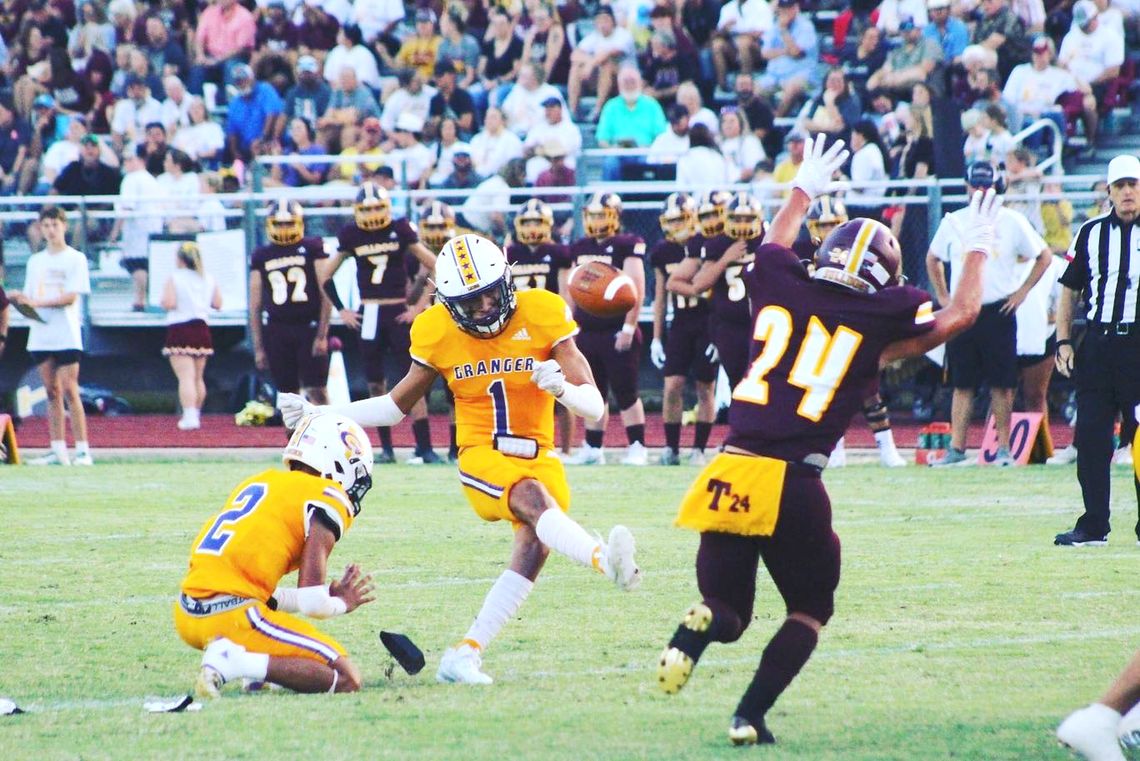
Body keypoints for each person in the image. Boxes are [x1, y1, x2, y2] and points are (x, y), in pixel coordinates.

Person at [655, 135, 1000, 745]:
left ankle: (704, 623)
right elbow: (960, 316)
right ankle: (747, 716)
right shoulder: (875, 320)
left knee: (729, 611)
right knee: (810, 608)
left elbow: (775, 243)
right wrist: (977, 248)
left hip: (731, 468)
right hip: (794, 480)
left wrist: (803, 188)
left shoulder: (781, 281)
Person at [278, 234, 641, 684]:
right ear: (448, 302)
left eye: (490, 294)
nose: (484, 308)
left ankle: (464, 655)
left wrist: (561, 389)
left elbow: (595, 407)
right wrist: (322, 411)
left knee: (533, 549)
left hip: (540, 454)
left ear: (507, 281)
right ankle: (606, 560)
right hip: (481, 454)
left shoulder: (543, 311)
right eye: (469, 302)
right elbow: (395, 406)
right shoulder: (436, 329)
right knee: (533, 500)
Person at [175, 412, 376, 698]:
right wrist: (342, 602)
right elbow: (312, 603)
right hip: (233, 617)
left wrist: (323, 594)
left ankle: (253, 670)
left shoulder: (260, 482)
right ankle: (234, 661)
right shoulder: (327, 495)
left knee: (278, 633)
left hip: (187, 615)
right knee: (347, 678)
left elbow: (262, 592)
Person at [926, 161, 1051, 467]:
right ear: (967, 187)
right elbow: (933, 258)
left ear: (997, 188)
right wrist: (944, 297)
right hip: (964, 309)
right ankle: (957, 448)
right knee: (962, 382)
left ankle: (1004, 449)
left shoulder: (1011, 221)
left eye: (986, 186)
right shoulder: (955, 221)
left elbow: (1044, 256)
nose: (980, 192)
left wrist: (1021, 293)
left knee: (1003, 382)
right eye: (976, 186)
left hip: (997, 308)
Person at [1052, 155, 1140, 547]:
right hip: (1100, 343)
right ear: (1108, 191)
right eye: (1120, 186)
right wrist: (1063, 340)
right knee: (1090, 435)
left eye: (1133, 185)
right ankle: (1093, 525)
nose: (1127, 192)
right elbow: (1069, 289)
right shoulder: (1089, 233)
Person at [322, 182, 441, 464]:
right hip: (370, 312)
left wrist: (419, 306)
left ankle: (423, 447)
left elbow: (434, 262)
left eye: (378, 207)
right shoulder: (352, 234)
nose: (374, 213)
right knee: (376, 382)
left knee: (412, 380)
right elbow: (326, 276)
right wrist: (343, 310)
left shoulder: (400, 229)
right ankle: (385, 449)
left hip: (396, 310)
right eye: (368, 209)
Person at [566, 192, 649, 466]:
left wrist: (628, 326)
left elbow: (635, 287)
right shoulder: (579, 247)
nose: (597, 220)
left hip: (616, 328)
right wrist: (570, 326)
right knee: (593, 390)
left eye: (602, 214)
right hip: (588, 329)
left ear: (615, 216)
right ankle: (593, 446)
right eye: (592, 215)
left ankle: (638, 445)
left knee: (626, 390)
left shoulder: (627, 244)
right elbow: (572, 290)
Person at [8, 206, 93, 466]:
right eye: (45, 226)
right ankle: (57, 449)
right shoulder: (36, 261)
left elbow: (70, 297)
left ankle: (82, 450)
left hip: (66, 332)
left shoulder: (75, 258)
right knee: (51, 391)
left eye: (55, 225)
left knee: (70, 389)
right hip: (42, 333)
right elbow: (30, 296)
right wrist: (19, 301)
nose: (51, 230)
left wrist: (38, 303)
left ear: (63, 226)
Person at [651, 192, 717, 466]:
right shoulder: (663, 251)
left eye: (680, 221)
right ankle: (671, 448)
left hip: (706, 320)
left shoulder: (706, 244)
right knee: (672, 386)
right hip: (679, 321)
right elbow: (660, 297)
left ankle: (700, 449)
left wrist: (719, 330)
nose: (675, 227)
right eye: (671, 221)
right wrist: (656, 337)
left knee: (705, 387)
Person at [249, 201, 331, 410]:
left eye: (288, 223)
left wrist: (322, 335)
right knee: (287, 397)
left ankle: (328, 437)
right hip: (277, 328)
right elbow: (255, 305)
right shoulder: (262, 255)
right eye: (279, 224)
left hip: (308, 326)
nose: (284, 229)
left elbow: (326, 292)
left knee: (317, 390)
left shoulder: (312, 248)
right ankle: (293, 441)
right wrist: (258, 347)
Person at [161, 241, 222, 431]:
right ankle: (196, 413)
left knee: (185, 377)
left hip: (180, 326)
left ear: (180, 259)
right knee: (198, 377)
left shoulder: (175, 277)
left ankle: (189, 415)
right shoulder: (208, 278)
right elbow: (218, 303)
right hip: (201, 327)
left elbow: (169, 302)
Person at [110, 145, 162, 311]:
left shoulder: (131, 179)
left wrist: (114, 232)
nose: (126, 163)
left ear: (139, 160)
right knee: (143, 265)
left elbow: (126, 208)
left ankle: (140, 301)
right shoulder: (151, 179)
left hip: (137, 231)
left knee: (136, 265)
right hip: (152, 228)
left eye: (129, 159)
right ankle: (143, 300)